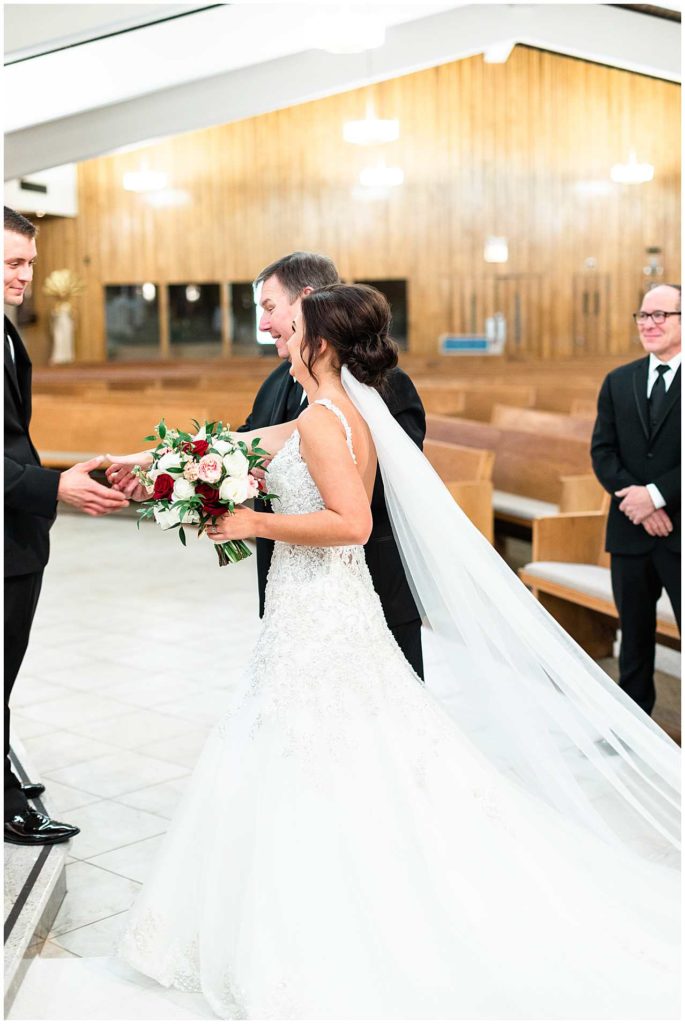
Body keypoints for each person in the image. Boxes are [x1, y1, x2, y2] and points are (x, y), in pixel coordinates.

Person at [110, 284, 678, 1019]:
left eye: (292, 326)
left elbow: (351, 524)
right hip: (319, 606)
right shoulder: (336, 412)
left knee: (316, 741)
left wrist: (253, 522)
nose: (280, 336)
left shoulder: (324, 421)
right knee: (347, 740)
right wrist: (140, 463)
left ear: (319, 343)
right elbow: (242, 446)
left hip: (321, 606)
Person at [4, 206, 129, 845]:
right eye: (13, 262)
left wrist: (55, 478)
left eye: (30, 262)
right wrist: (55, 485)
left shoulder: (8, 333)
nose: (26, 275)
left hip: (17, 534)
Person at [241, 252, 426, 677]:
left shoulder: (384, 389)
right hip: (294, 591)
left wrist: (255, 520)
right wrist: (161, 469)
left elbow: (387, 490)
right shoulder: (278, 382)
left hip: (368, 591)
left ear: (307, 305)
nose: (264, 325)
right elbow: (246, 441)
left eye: (270, 308)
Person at [591, 283, 681, 715]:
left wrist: (658, 496)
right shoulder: (619, 380)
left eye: (660, 315)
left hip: (680, 532)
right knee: (633, 642)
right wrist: (640, 504)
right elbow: (602, 452)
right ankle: (633, 730)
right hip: (630, 531)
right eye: (643, 315)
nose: (649, 323)